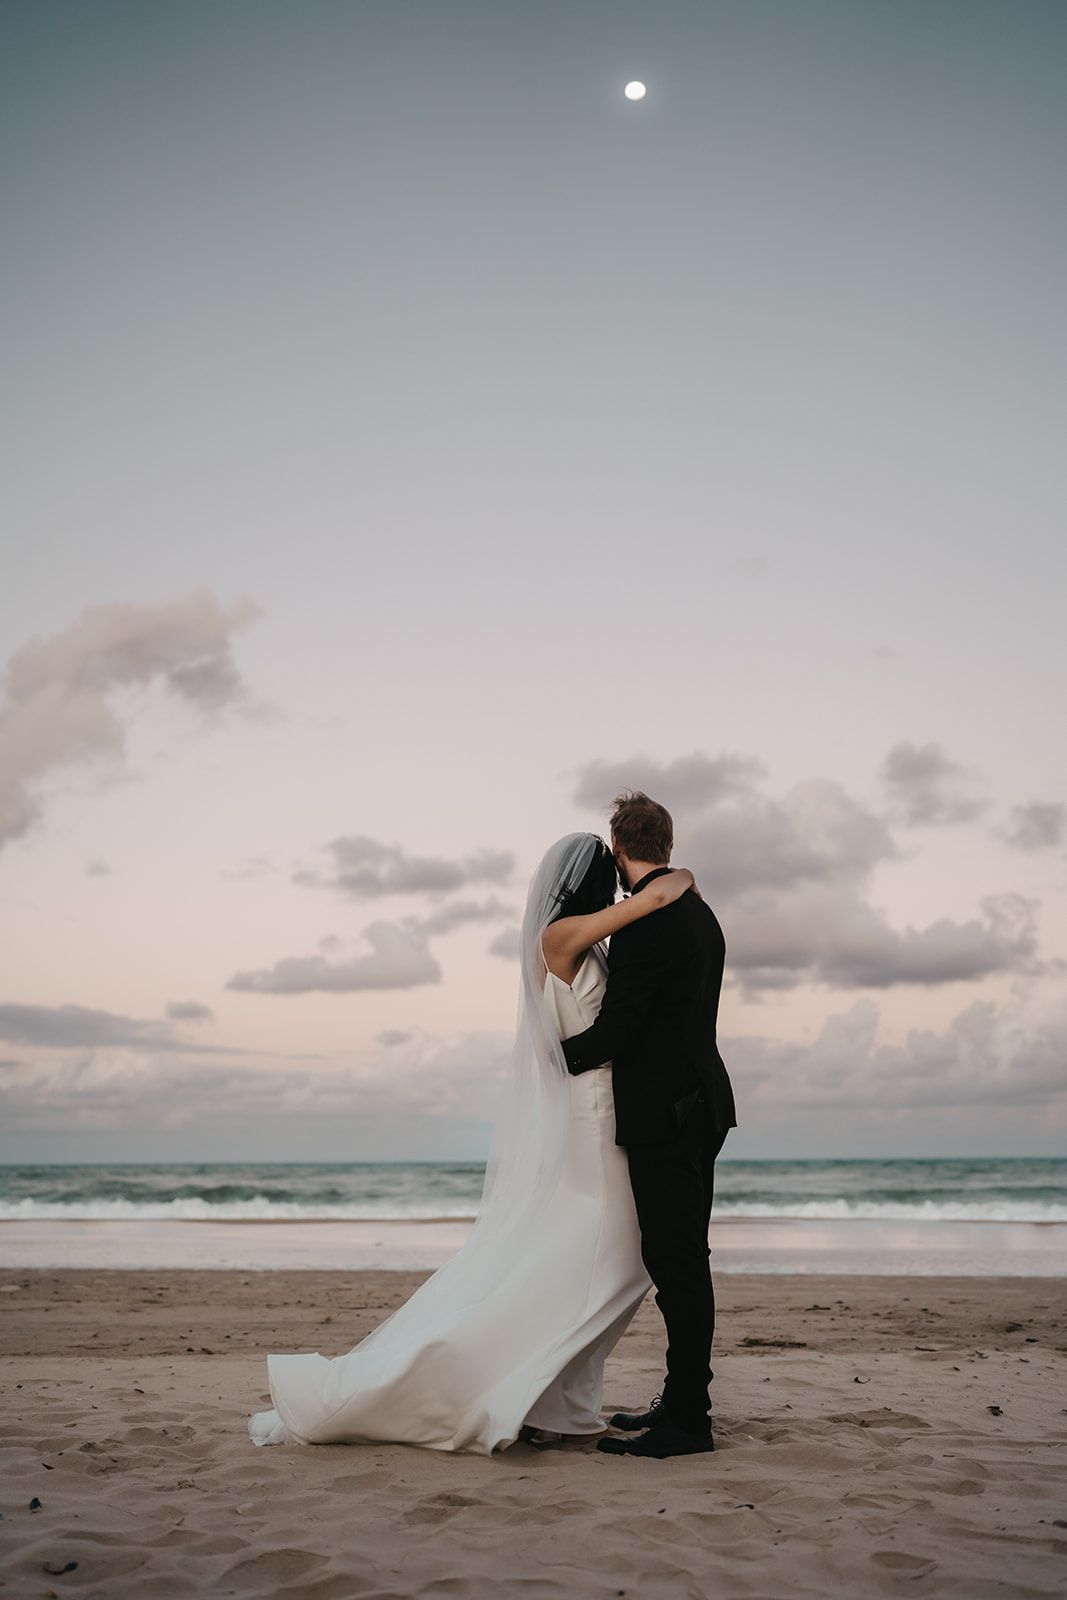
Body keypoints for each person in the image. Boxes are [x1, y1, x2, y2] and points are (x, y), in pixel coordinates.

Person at [248, 831, 696, 1455]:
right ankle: (509, 1387)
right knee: (615, 1259)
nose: (620, 884)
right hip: (594, 1117)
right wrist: (675, 880)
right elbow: (648, 903)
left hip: (602, 1112)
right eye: (611, 873)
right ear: (594, 882)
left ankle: (554, 1402)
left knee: (599, 1261)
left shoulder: (583, 941)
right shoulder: (560, 937)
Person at [561, 791, 737, 1458]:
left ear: (617, 851)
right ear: (666, 845)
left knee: (677, 1264)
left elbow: (620, 1030)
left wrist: (551, 1061)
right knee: (684, 1258)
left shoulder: (646, 924)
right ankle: (681, 1398)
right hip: (703, 1103)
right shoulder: (698, 911)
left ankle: (689, 1419)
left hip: (666, 1114)